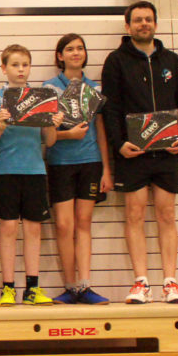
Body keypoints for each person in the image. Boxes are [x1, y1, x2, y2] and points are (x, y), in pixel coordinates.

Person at [101, 0, 178, 304]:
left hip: (167, 152)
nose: (144, 24)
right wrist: (119, 144)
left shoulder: (172, 60)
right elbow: (110, 108)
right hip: (133, 154)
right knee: (134, 214)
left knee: (167, 214)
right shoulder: (116, 61)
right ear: (128, 26)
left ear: (155, 24)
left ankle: (171, 282)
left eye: (148, 19)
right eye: (138, 20)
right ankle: (141, 282)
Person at [0, 45, 62, 306]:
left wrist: (52, 125)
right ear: (4, 68)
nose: (20, 70)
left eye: (25, 65)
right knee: (8, 228)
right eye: (15, 65)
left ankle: (32, 288)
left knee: (33, 230)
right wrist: (2, 125)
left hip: (34, 171)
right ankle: (8, 288)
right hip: (6, 171)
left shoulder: (41, 98)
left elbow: (49, 141)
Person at [44, 34, 112, 305]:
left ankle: (85, 285)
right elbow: (45, 133)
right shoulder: (49, 88)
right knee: (64, 225)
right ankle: (70, 286)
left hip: (90, 162)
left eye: (80, 48)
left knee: (84, 222)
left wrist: (106, 169)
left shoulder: (94, 88)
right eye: (69, 49)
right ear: (60, 56)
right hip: (60, 162)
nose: (75, 53)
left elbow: (100, 129)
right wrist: (67, 135)